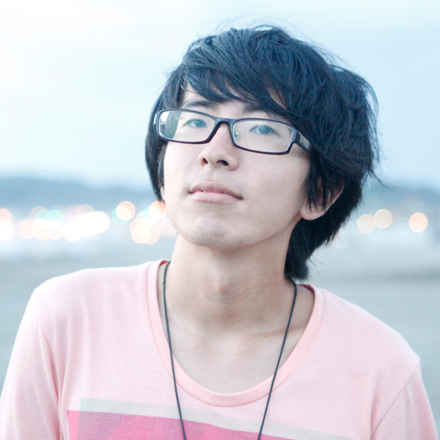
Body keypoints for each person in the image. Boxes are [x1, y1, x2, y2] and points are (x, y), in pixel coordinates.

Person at [0, 26, 437, 440]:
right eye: (194, 121)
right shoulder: (67, 319)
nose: (214, 152)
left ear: (320, 193)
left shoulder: (378, 371)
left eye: (262, 128)